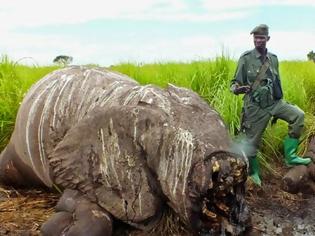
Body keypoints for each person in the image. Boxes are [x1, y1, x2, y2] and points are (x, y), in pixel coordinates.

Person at [230, 24, 312, 186]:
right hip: (255, 107)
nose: (258, 41)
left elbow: (277, 82)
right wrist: (238, 89)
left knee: (298, 116)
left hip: (275, 102)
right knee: (252, 141)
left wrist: (280, 103)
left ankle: (291, 157)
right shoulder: (246, 58)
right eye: (255, 38)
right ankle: (254, 173)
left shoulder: (273, 59)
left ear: (267, 39)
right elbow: (234, 84)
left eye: (261, 38)